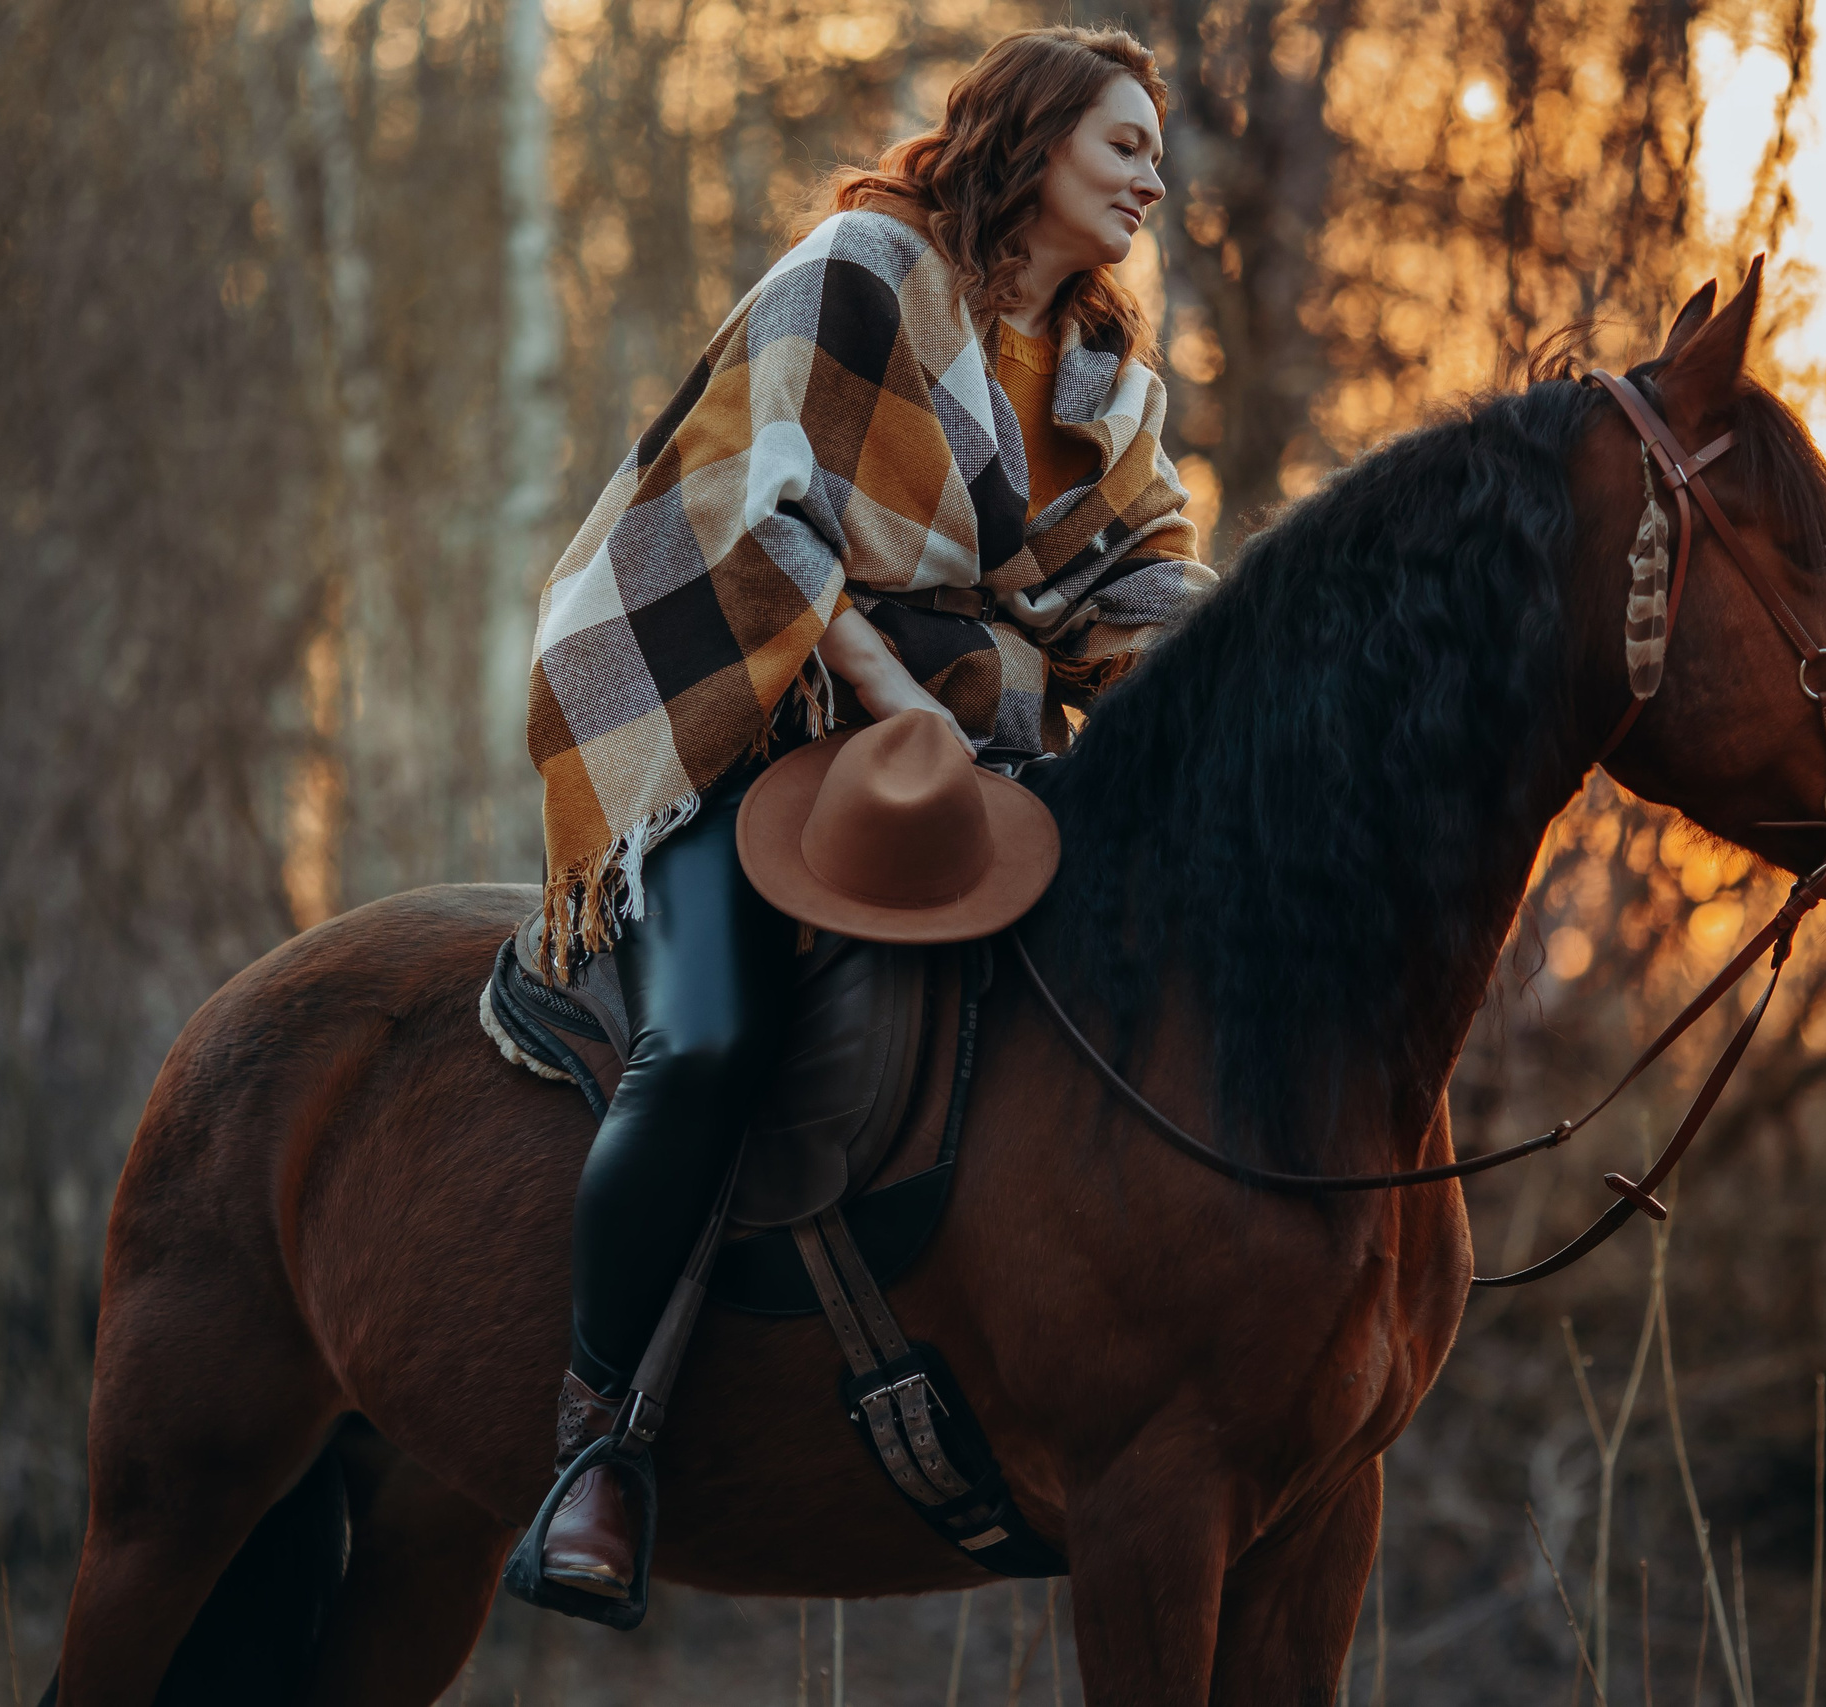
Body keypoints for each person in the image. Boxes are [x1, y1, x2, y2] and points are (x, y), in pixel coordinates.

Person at [520, 24, 1217, 1601]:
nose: (1153, 182)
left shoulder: (1106, 383)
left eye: (1154, 156)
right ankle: (596, 1442)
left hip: (947, 767)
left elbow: (1147, 594)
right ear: (1034, 142)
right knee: (707, 1043)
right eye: (1124, 148)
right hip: (745, 710)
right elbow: (767, 522)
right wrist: (909, 713)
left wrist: (1283, 687)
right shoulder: (861, 268)